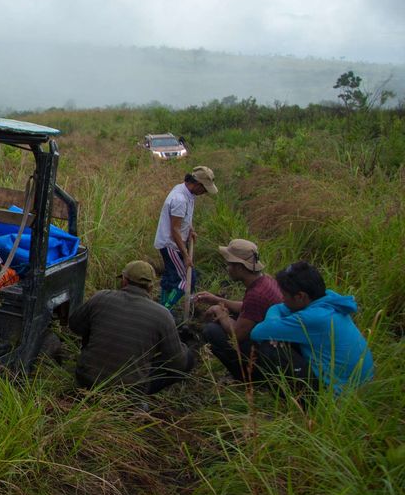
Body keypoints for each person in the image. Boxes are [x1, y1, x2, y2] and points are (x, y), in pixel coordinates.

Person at [71, 260, 195, 394]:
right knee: (187, 358)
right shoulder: (163, 315)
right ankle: (138, 401)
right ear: (151, 288)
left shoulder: (100, 297)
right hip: (128, 391)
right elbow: (178, 363)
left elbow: (75, 326)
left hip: (85, 380)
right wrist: (178, 346)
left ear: (124, 281)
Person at [251, 261, 374, 394]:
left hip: (339, 393)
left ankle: (300, 402)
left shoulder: (314, 318)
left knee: (269, 347)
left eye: (284, 295)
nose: (282, 299)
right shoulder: (329, 299)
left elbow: (258, 332)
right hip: (359, 383)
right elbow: (281, 307)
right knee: (280, 335)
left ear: (300, 296)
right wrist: (275, 323)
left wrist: (272, 324)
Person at [196, 238, 304, 388]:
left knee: (212, 331)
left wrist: (220, 312)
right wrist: (215, 299)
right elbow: (247, 308)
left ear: (240, 268)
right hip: (277, 345)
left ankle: (248, 379)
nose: (227, 268)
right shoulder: (264, 280)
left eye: (229, 264)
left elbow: (237, 335)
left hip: (274, 351)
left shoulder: (257, 294)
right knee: (228, 317)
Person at [154, 165, 217, 309]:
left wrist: (190, 228)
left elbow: (183, 218)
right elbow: (175, 229)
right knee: (188, 279)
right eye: (204, 189)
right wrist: (186, 255)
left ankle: (163, 306)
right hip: (171, 245)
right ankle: (166, 308)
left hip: (174, 242)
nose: (204, 192)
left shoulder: (186, 191)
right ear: (196, 184)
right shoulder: (180, 199)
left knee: (170, 277)